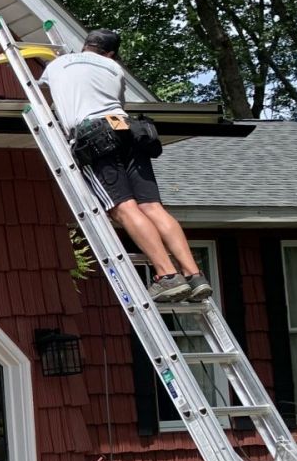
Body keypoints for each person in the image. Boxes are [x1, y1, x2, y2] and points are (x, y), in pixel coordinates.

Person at [40, 29, 210, 303]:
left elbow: (46, 93)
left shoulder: (57, 64)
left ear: (86, 46)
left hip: (95, 132)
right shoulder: (113, 68)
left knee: (124, 208)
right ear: (111, 54)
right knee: (153, 207)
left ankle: (167, 276)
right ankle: (194, 274)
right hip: (128, 127)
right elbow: (116, 104)